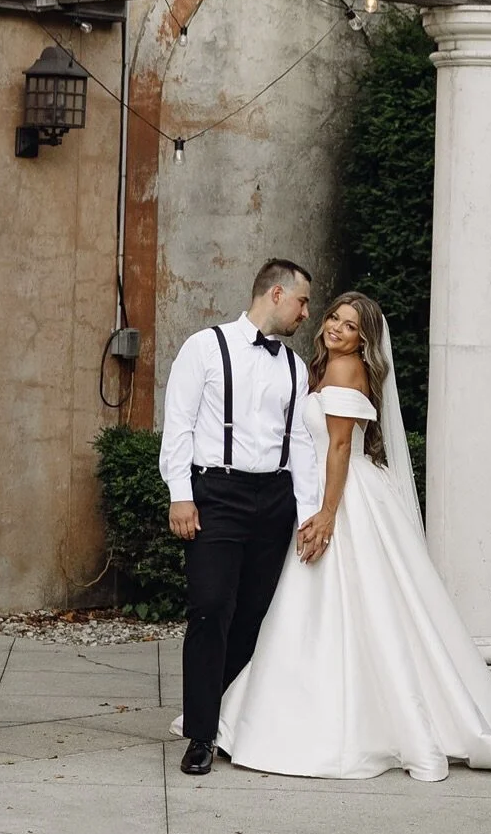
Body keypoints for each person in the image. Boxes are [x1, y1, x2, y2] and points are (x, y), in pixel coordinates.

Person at [211, 291, 491, 781]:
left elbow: (340, 446)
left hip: (343, 497)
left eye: (350, 326)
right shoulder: (326, 368)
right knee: (355, 606)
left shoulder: (343, 369)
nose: (336, 328)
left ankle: (329, 724)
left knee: (346, 604)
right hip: (336, 490)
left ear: (363, 339)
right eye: (334, 318)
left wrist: (327, 514)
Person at [159, 258, 323, 777]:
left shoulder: (295, 368)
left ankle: (228, 719)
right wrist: (180, 495)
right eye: (302, 302)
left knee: (255, 614)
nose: (306, 313)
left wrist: (309, 512)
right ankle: (200, 735)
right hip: (217, 494)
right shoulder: (204, 347)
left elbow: (301, 444)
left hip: (274, 499)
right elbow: (179, 425)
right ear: (276, 294)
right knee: (210, 608)